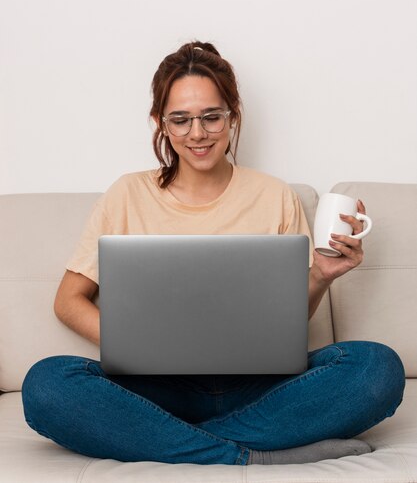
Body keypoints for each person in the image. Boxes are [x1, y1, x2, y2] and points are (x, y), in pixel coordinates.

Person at [21, 41, 405, 466]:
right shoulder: (126, 194)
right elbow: (68, 301)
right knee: (47, 384)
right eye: (180, 120)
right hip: (157, 388)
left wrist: (320, 276)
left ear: (233, 116)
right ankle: (254, 455)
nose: (197, 133)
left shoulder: (274, 195)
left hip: (261, 386)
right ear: (160, 123)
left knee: (376, 368)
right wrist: (139, 347)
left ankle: (169, 441)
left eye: (211, 116)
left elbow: (287, 324)